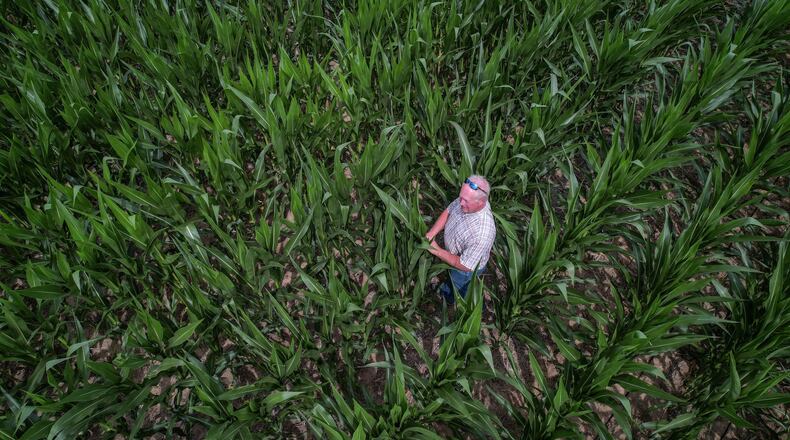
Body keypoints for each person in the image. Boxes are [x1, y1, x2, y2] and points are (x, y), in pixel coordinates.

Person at [425, 175, 496, 305]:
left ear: (481, 203)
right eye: (460, 197)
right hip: (454, 256)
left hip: (465, 269)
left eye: (465, 201)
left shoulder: (482, 233)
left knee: (457, 285)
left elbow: (464, 265)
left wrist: (436, 250)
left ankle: (449, 300)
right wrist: (431, 233)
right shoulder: (468, 199)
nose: (460, 202)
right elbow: (449, 211)